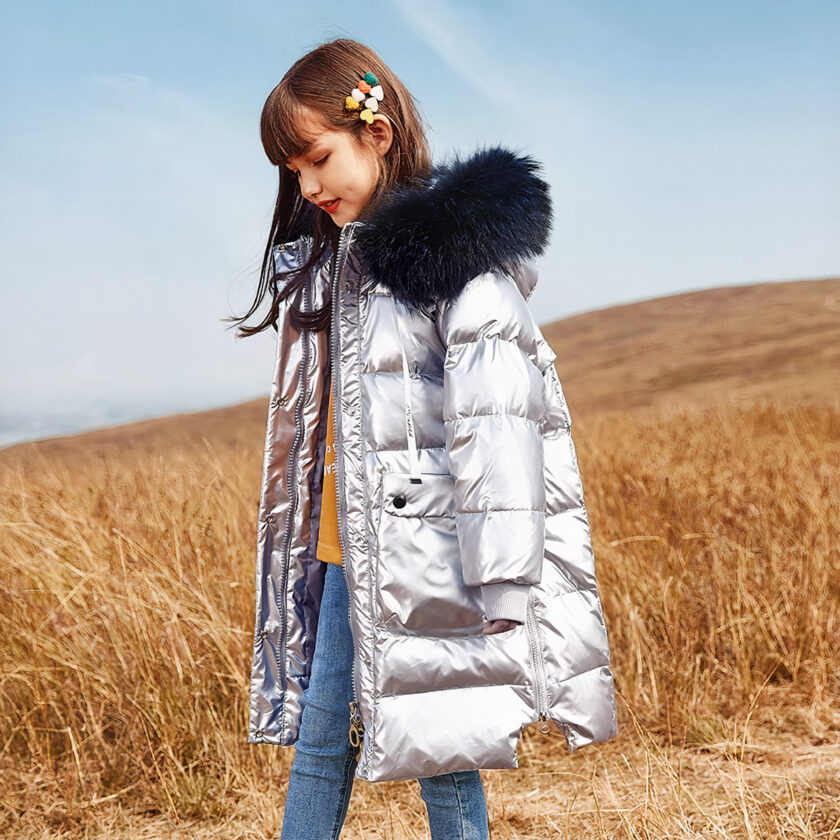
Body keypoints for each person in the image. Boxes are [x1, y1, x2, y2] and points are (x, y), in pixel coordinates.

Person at [230, 38, 617, 840]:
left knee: (430, 752)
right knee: (336, 739)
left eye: (316, 159)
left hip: (428, 552)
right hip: (346, 545)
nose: (306, 186)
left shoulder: (454, 266)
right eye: (292, 172)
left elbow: (500, 426)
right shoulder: (341, 262)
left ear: (376, 131)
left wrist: (504, 579)